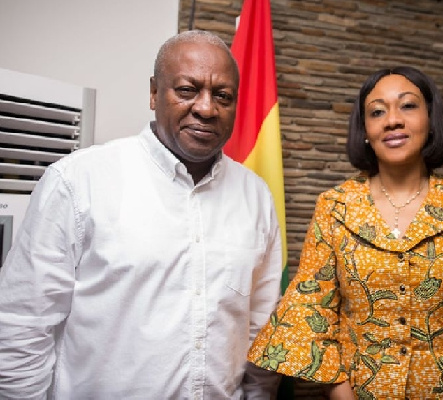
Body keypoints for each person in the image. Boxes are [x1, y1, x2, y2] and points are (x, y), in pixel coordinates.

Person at [0, 30, 282, 399]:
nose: (206, 108)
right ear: (153, 93)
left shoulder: (256, 196)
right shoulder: (77, 181)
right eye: (186, 90)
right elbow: (23, 325)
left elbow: (262, 326)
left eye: (223, 96)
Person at [247, 66, 443, 399]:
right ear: (365, 130)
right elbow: (311, 311)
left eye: (407, 105)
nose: (392, 120)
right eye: (377, 111)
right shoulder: (335, 207)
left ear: (430, 118)